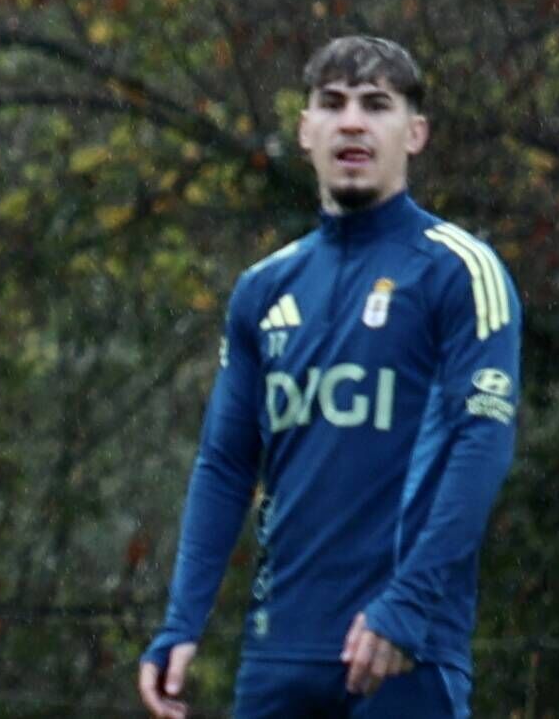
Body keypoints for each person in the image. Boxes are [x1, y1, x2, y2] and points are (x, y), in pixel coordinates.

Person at [138, 36, 521, 718]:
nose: (352, 122)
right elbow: (226, 464)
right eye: (333, 104)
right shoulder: (264, 289)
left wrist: (407, 605)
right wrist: (182, 622)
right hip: (277, 657)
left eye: (377, 105)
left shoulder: (458, 270)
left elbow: (481, 444)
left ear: (416, 133)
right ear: (306, 130)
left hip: (402, 653)